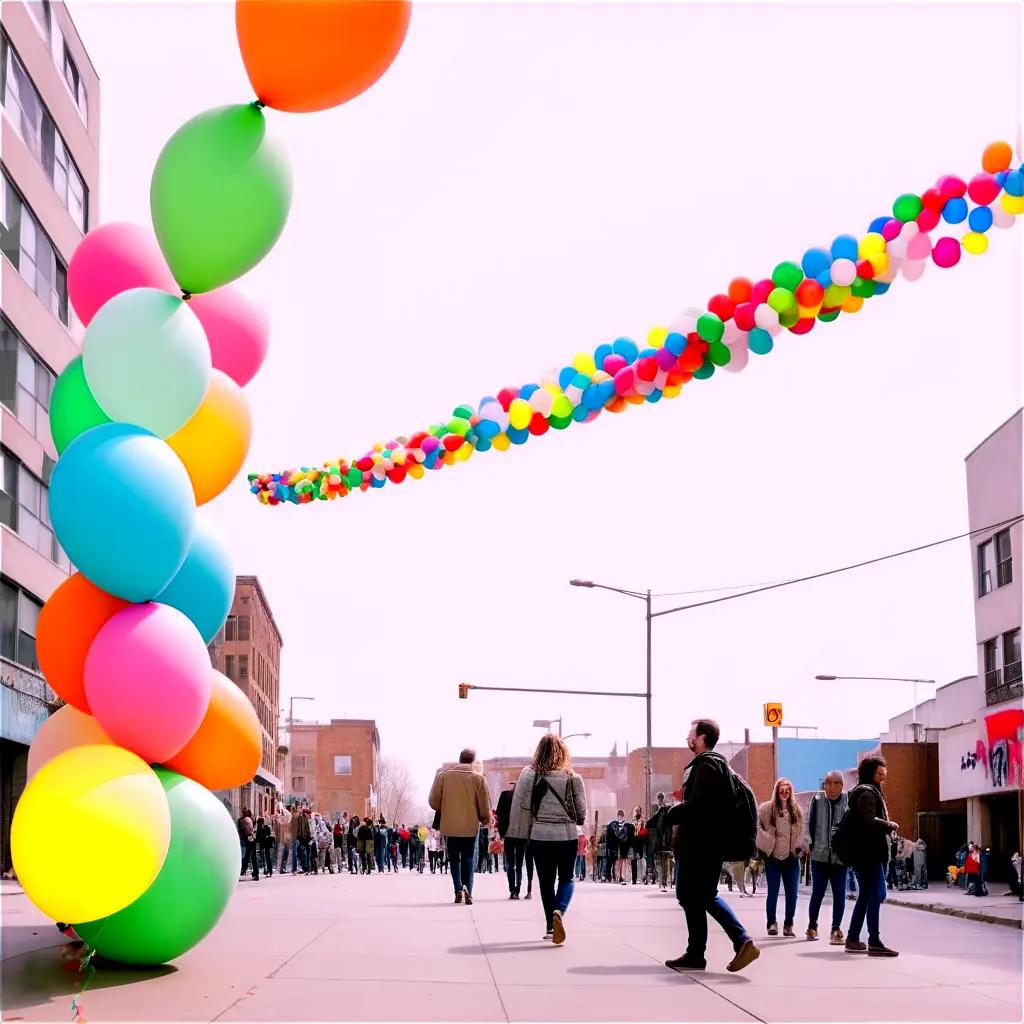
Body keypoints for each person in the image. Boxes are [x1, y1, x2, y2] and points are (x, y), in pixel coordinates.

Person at [664, 718, 759, 974]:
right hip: (705, 844)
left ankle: (741, 940)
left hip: (701, 845)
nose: (688, 738)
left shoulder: (707, 766)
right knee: (693, 896)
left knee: (698, 895)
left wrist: (668, 815)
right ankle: (696, 953)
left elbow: (699, 808)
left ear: (702, 737)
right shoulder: (713, 766)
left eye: (691, 733)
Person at [511, 733, 587, 944]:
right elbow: (581, 813)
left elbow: (524, 805)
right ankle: (559, 911)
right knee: (566, 878)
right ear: (563, 753)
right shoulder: (573, 778)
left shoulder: (531, 776)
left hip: (540, 836)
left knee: (545, 882)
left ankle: (550, 927)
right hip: (566, 836)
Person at [843, 755, 900, 957]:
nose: (883, 773)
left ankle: (852, 937)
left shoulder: (870, 791)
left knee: (867, 895)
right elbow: (868, 821)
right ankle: (874, 941)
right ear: (870, 773)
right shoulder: (867, 794)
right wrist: (888, 825)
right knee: (876, 895)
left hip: (865, 854)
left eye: (884, 769)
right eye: (879, 770)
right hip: (869, 854)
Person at [428, 748, 491, 905]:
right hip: (470, 826)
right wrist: (485, 819)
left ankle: (457, 890)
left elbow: (433, 802)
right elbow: (484, 805)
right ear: (473, 761)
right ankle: (468, 889)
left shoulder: (444, 777)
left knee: (454, 859)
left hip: (450, 826)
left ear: (460, 759)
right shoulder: (478, 779)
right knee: (469, 858)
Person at [804, 770, 849, 944]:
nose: (830, 787)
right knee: (818, 893)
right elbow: (808, 824)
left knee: (839, 894)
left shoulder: (848, 800)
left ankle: (835, 929)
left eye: (834, 783)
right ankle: (812, 926)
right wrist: (809, 844)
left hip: (840, 858)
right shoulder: (816, 800)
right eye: (827, 783)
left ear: (841, 786)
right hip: (819, 856)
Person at [757, 778, 805, 937]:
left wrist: (799, 847)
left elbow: (801, 831)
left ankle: (788, 925)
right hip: (773, 858)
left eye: (787, 790)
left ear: (790, 792)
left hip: (791, 858)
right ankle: (771, 923)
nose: (785, 793)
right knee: (773, 892)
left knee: (792, 893)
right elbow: (756, 827)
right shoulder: (766, 809)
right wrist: (767, 840)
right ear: (777, 792)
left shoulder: (796, 810)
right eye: (782, 790)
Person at [497, 777, 525, 899]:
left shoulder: (504, 795)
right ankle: (517, 890)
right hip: (521, 833)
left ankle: (512, 889)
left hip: (508, 833)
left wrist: (501, 832)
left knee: (510, 862)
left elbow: (499, 814)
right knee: (519, 863)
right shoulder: (524, 797)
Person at [647, 792, 673, 892]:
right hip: (657, 839)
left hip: (665, 838)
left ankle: (664, 881)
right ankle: (661, 880)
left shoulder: (667, 808)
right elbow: (651, 821)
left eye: (662, 797)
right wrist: (659, 810)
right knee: (659, 860)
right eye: (659, 797)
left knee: (666, 860)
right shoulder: (655, 807)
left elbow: (669, 823)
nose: (661, 799)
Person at [608, 810, 631, 885]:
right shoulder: (613, 825)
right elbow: (610, 837)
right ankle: (617, 877)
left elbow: (629, 837)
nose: (620, 816)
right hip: (616, 846)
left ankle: (623, 877)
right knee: (617, 862)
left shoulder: (627, 826)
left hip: (623, 846)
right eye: (619, 815)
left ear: (623, 816)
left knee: (623, 862)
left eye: (621, 815)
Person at [238, 808, 260, 881]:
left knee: (246, 855)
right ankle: (255, 873)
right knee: (251, 856)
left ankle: (243, 869)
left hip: (246, 839)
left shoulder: (243, 820)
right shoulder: (250, 820)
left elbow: (241, 830)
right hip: (252, 838)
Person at [630, 805, 647, 884]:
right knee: (633, 860)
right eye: (634, 811)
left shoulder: (642, 821)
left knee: (641, 859)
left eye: (637, 811)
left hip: (641, 841)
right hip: (633, 841)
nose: (635, 812)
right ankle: (634, 879)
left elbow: (645, 831)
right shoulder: (631, 822)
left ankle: (642, 877)